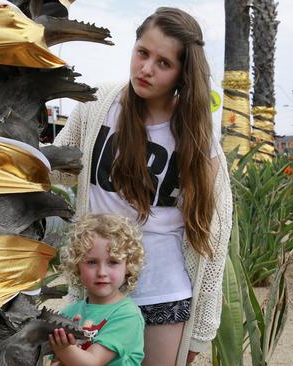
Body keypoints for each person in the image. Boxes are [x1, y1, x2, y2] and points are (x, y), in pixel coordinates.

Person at [52, 7, 233, 366]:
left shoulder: (197, 139)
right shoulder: (97, 107)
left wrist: (200, 330)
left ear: (183, 73)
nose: (146, 69)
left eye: (164, 63)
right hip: (98, 288)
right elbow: (54, 171)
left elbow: (213, 236)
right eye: (143, 53)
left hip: (164, 296)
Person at [48, 213, 146, 366]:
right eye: (92, 262)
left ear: (128, 266)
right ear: (77, 266)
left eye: (113, 262)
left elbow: (93, 362)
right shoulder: (69, 313)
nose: (102, 272)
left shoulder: (127, 316)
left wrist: (63, 351)